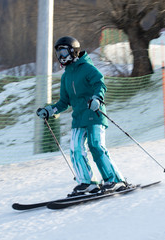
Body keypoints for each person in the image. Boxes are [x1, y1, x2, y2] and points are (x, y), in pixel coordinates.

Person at [36, 36, 127, 196]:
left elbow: (100, 83)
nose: (61, 56)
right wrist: (50, 111)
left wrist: (97, 98)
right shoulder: (66, 76)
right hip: (78, 118)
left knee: (96, 145)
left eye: (63, 51)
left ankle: (114, 180)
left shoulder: (87, 68)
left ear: (73, 51)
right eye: (58, 53)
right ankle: (87, 183)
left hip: (94, 114)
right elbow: (64, 102)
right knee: (75, 149)